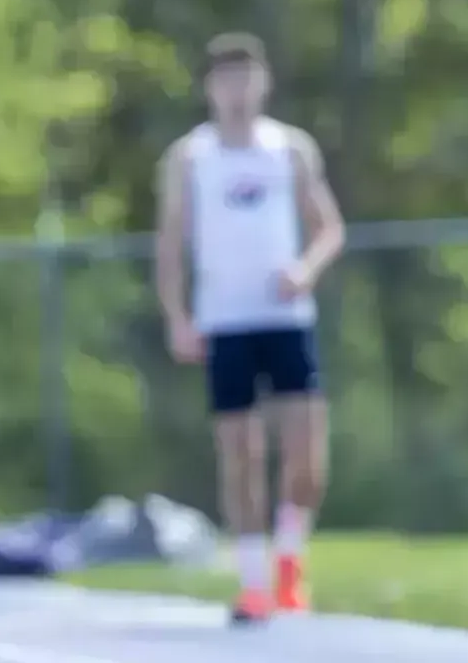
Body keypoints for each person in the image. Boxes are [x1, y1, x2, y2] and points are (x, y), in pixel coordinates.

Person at [154, 33, 345, 624]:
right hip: (226, 320)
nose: (237, 92)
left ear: (262, 83)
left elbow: (330, 228)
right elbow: (169, 243)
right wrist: (178, 317)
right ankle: (253, 581)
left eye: (246, 78)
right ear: (211, 88)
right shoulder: (191, 157)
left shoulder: (289, 149)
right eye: (226, 80)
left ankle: (290, 557)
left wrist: (305, 269)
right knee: (240, 454)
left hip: (285, 318)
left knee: (306, 454)